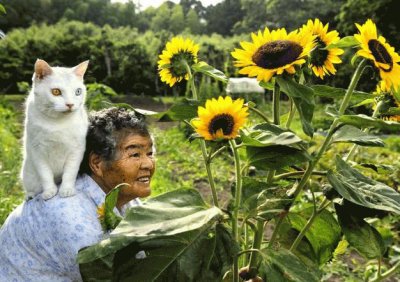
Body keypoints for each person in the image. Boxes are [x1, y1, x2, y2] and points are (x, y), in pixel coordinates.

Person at [0, 107, 156, 281]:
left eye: (149, 153)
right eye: (135, 154)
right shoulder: (71, 215)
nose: (148, 164)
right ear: (97, 163)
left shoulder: (122, 196)